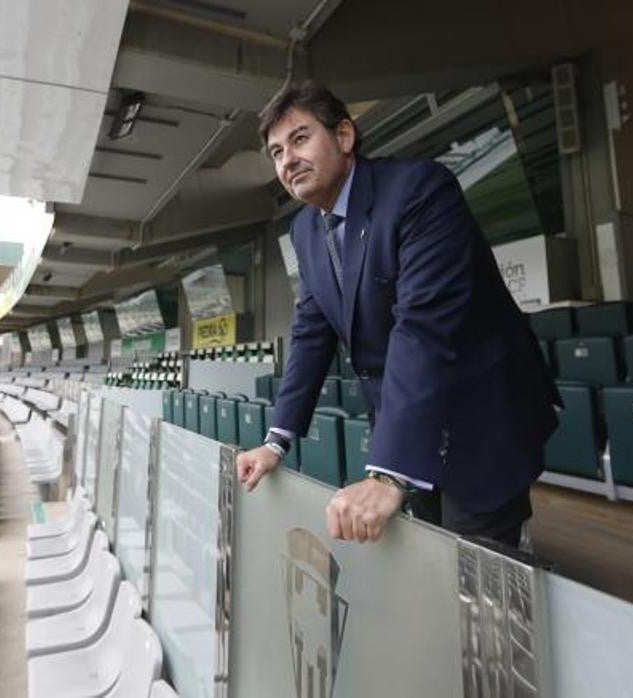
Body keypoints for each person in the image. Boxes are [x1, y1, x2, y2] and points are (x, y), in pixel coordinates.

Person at [237, 82, 560, 547]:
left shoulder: (419, 190)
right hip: (408, 421)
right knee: (427, 559)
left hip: (481, 414)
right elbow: (311, 332)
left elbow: (422, 327)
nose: (287, 159)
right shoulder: (306, 228)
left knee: (479, 575)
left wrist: (388, 473)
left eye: (300, 139)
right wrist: (275, 441)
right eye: (275, 151)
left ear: (344, 136)